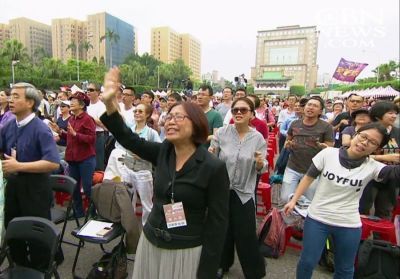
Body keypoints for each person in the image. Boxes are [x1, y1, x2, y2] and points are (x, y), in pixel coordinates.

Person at [100, 67, 230, 279]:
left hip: (185, 251)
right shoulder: (164, 152)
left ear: (197, 124)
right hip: (151, 243)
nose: (170, 121)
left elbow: (218, 224)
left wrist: (207, 270)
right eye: (169, 117)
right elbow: (128, 138)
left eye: (179, 117)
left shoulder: (212, 167)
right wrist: (109, 103)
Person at [283, 122, 400, 279]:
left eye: (372, 142)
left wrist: (379, 158)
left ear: (377, 148)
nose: (364, 142)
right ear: (355, 134)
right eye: (363, 136)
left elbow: (395, 173)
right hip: (318, 219)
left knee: (345, 269)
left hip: (349, 224)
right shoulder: (328, 154)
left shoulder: (374, 167)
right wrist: (293, 200)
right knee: (307, 262)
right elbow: (309, 176)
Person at [0, 82, 60, 268]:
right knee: (13, 230)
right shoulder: (9, 126)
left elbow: (53, 162)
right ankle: (19, 266)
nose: (10, 99)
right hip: (14, 187)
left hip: (35, 191)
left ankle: (41, 269)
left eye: (16, 96)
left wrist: (20, 165)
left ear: (30, 102)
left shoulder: (40, 128)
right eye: (10, 95)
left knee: (36, 235)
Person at [210, 97, 267, 279]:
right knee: (221, 230)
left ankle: (254, 271)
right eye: (235, 110)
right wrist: (210, 156)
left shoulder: (257, 138)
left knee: (246, 233)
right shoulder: (222, 133)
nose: (239, 113)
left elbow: (262, 167)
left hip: (244, 192)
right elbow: (213, 160)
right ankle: (221, 264)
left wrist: (259, 163)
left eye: (243, 110)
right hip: (221, 191)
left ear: (252, 113)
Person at [112, 103, 161, 225]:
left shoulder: (151, 133)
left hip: (143, 171)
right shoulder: (129, 131)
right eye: (135, 111)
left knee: (147, 204)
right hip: (127, 169)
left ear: (147, 115)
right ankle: (129, 229)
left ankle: (146, 230)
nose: (137, 114)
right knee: (128, 202)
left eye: (140, 111)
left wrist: (144, 154)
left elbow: (160, 153)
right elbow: (118, 145)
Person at [281, 97, 334, 202]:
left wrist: (324, 148)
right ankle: (290, 217)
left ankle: (302, 217)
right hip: (292, 167)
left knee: (308, 201)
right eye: (309, 104)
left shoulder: (326, 127)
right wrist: (288, 145)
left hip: (313, 170)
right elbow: (287, 141)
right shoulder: (294, 123)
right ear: (304, 108)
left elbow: (330, 148)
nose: (311, 107)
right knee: (285, 198)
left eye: (315, 106)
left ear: (320, 111)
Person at [360, 101, 400, 219]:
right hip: (369, 177)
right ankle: (360, 236)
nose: (394, 116)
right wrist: (383, 157)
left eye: (395, 113)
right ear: (378, 115)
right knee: (363, 210)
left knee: (385, 212)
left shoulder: (397, 132)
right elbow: (358, 155)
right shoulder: (367, 131)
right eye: (390, 113)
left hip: (392, 178)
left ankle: (380, 237)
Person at [61, 91, 96, 218]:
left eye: (73, 101)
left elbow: (92, 139)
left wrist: (76, 134)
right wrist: (60, 132)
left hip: (85, 158)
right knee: (74, 187)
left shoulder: (87, 119)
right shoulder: (71, 118)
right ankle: (79, 212)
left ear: (81, 105)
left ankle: (94, 212)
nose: (70, 103)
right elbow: (70, 136)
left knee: (87, 188)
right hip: (72, 158)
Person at [86, 83, 107, 171]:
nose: (88, 92)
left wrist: (88, 117)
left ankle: (97, 181)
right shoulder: (86, 105)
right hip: (85, 136)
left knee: (98, 162)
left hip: (97, 136)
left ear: (98, 92)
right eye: (87, 90)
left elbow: (103, 124)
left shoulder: (102, 106)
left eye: (91, 90)